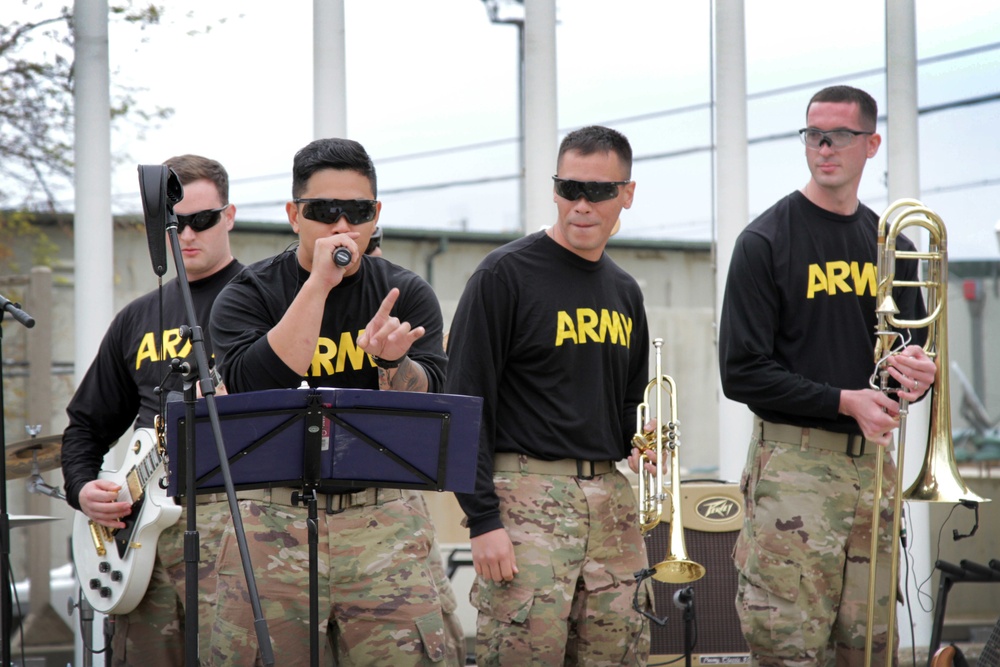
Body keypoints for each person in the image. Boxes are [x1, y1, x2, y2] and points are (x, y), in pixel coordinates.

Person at [207, 137, 460, 666]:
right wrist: (320, 283)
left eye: (359, 212)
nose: (343, 226)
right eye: (324, 212)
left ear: (377, 215)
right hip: (272, 518)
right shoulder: (248, 294)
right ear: (294, 215)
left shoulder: (405, 292)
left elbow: (432, 396)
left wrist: (394, 365)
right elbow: (255, 383)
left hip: (382, 519)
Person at [718, 85, 938, 666]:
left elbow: (913, 352)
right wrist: (845, 401)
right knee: (788, 641)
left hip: (873, 469)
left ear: (871, 143)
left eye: (838, 135)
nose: (823, 147)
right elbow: (741, 373)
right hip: (794, 467)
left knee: (869, 646)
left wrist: (922, 372)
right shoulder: (765, 240)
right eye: (813, 134)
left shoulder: (896, 244)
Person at [444, 125, 653, 665]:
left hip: (610, 504)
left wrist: (642, 443)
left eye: (599, 191)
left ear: (627, 194)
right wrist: (483, 521)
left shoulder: (625, 290)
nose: (581, 205)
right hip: (524, 499)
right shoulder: (503, 275)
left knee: (619, 652)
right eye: (568, 188)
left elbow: (628, 402)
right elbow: (464, 405)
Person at [61, 154, 243, 666]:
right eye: (172, 223)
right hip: (143, 543)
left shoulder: (264, 300)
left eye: (202, 220)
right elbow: (86, 426)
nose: (186, 234)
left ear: (229, 216)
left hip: (239, 531)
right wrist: (83, 490)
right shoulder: (137, 318)